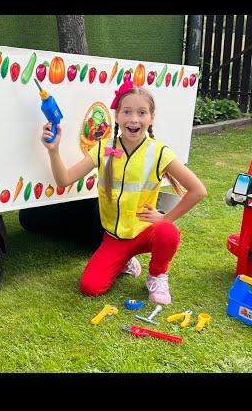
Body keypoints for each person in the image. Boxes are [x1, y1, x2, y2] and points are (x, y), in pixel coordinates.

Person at [40, 80, 207, 304]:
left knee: (168, 231)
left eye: (141, 112)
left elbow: (198, 190)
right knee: (90, 287)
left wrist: (165, 218)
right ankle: (126, 261)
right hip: (115, 237)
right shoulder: (103, 148)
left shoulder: (159, 152)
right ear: (117, 116)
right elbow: (65, 179)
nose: (134, 119)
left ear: (151, 117)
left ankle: (157, 276)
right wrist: (54, 150)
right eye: (126, 111)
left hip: (145, 232)